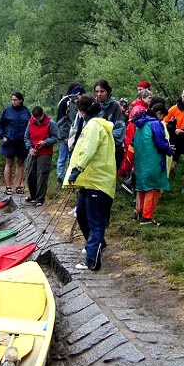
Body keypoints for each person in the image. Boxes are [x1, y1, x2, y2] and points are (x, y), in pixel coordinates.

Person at [63, 93, 116, 271]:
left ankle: (92, 259)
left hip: (98, 181)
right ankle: (97, 244)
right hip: (89, 180)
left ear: (82, 111)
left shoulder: (94, 126)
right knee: (82, 215)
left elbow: (88, 150)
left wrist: (77, 169)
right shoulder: (93, 125)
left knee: (95, 221)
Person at [132, 103, 173, 225]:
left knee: (142, 186)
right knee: (153, 187)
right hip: (152, 160)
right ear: (159, 113)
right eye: (162, 117)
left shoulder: (140, 123)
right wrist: (169, 149)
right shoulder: (155, 124)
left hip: (140, 160)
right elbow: (161, 143)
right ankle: (147, 217)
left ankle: (139, 212)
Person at [0, 92, 31, 195]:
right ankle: (8, 187)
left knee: (20, 163)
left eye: (15, 100)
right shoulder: (7, 111)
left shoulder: (26, 111)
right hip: (9, 141)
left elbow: (31, 125)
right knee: (9, 163)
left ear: (20, 100)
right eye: (12, 100)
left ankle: (18, 186)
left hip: (22, 141)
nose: (13, 102)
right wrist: (3, 135)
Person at [24, 106, 59, 206]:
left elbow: (56, 138)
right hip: (33, 151)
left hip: (45, 153)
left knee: (41, 175)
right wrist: (30, 148)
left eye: (39, 118)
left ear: (43, 114)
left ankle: (40, 199)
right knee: (30, 174)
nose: (38, 120)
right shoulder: (31, 122)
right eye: (36, 118)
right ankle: (33, 196)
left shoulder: (51, 123)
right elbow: (26, 137)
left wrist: (46, 142)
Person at [93, 79, 126, 171]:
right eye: (97, 91)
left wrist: (107, 141)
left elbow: (120, 127)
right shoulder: (93, 106)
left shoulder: (115, 106)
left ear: (108, 92)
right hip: (95, 147)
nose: (99, 94)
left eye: (102, 91)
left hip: (111, 147)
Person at [56, 83, 85, 184]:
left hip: (77, 136)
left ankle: (70, 178)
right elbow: (61, 121)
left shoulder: (83, 104)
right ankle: (60, 177)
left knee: (73, 157)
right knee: (63, 157)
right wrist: (64, 136)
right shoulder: (65, 103)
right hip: (66, 136)